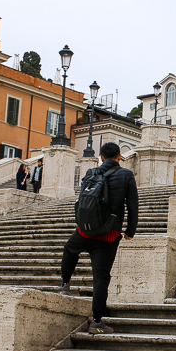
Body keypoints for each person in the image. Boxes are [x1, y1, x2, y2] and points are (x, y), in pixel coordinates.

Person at [59, 142, 138, 334]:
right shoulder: (126, 175)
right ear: (120, 157)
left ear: (101, 157)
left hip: (85, 230)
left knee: (70, 249)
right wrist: (130, 231)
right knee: (101, 277)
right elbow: (133, 205)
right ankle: (96, 322)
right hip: (109, 234)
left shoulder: (91, 173)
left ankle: (65, 284)